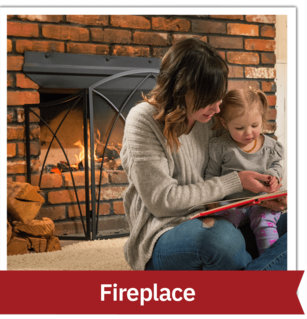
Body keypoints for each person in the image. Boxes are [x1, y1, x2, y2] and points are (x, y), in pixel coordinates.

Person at [119, 37, 287, 271]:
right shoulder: (143, 120)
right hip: (164, 231)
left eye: (219, 98)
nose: (218, 109)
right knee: (222, 239)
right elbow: (162, 202)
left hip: (222, 216)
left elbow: (234, 165)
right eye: (209, 100)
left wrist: (264, 194)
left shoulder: (207, 118)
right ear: (180, 90)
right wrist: (235, 181)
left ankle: (251, 287)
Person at [204, 88, 284, 256]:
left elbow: (276, 165)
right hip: (232, 204)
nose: (248, 133)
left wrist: (274, 176)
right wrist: (211, 204)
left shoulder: (270, 146)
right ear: (225, 124)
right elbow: (211, 176)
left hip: (262, 204)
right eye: (240, 128)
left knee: (265, 223)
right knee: (221, 226)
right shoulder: (221, 146)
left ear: (261, 120)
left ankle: (269, 264)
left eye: (254, 125)